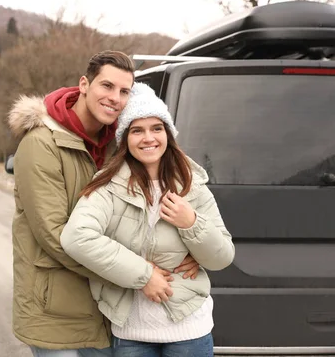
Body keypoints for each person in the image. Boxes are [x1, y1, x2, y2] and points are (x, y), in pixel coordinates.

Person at [7, 51, 201, 357]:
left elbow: (148, 207)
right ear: (84, 84)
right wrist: (139, 273)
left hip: (106, 304)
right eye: (107, 86)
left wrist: (188, 251)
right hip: (55, 307)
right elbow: (56, 235)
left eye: (124, 91)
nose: (115, 98)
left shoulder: (119, 144)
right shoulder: (41, 144)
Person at [60, 82, 235, 357]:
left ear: (168, 133)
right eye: (137, 130)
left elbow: (222, 257)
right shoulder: (108, 187)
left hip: (189, 329)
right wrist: (144, 275)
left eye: (156, 128)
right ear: (125, 139)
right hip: (132, 333)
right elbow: (76, 236)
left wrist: (191, 224)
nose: (148, 138)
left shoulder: (193, 185)